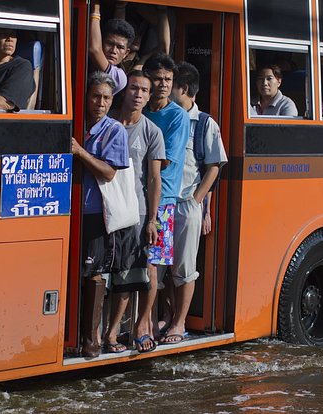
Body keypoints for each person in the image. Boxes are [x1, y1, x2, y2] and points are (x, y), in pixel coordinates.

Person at [159, 61, 227, 345]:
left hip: (187, 203)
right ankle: (163, 316)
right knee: (159, 264)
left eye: (170, 84)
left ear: (183, 89)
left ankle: (179, 322)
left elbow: (214, 165)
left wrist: (199, 201)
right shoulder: (163, 115)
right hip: (162, 203)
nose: (164, 88)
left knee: (185, 266)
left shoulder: (205, 123)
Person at [103, 70, 166, 353]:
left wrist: (152, 219)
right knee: (101, 273)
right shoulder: (106, 123)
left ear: (149, 97)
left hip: (136, 212)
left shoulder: (152, 132)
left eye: (144, 90)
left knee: (130, 275)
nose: (138, 94)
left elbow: (154, 179)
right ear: (123, 91)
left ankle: (114, 333)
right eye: (133, 89)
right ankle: (95, 332)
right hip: (103, 207)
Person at [72, 71, 131, 358]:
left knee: (93, 274)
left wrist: (80, 153)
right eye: (96, 96)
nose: (101, 103)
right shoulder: (76, 122)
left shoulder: (114, 130)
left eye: (107, 98)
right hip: (70, 211)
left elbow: (109, 172)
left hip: (96, 212)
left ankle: (90, 338)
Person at [142, 53, 190, 338]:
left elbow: (165, 161)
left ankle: (156, 320)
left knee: (156, 264)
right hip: (137, 194)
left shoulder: (177, 116)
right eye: (158, 78)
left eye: (168, 80)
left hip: (164, 199)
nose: (162, 84)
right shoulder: (139, 108)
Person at [89, 0, 135, 95]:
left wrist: (95, 7)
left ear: (126, 53)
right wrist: (120, 7)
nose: (114, 51)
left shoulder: (119, 77)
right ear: (101, 42)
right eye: (109, 44)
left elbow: (95, 50)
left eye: (120, 48)